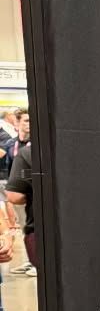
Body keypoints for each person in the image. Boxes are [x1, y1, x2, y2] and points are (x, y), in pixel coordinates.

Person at [5, 110, 37, 275]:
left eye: (31, 121)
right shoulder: (12, 144)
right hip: (17, 187)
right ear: (17, 123)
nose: (28, 124)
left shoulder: (32, 149)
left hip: (26, 192)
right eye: (25, 121)